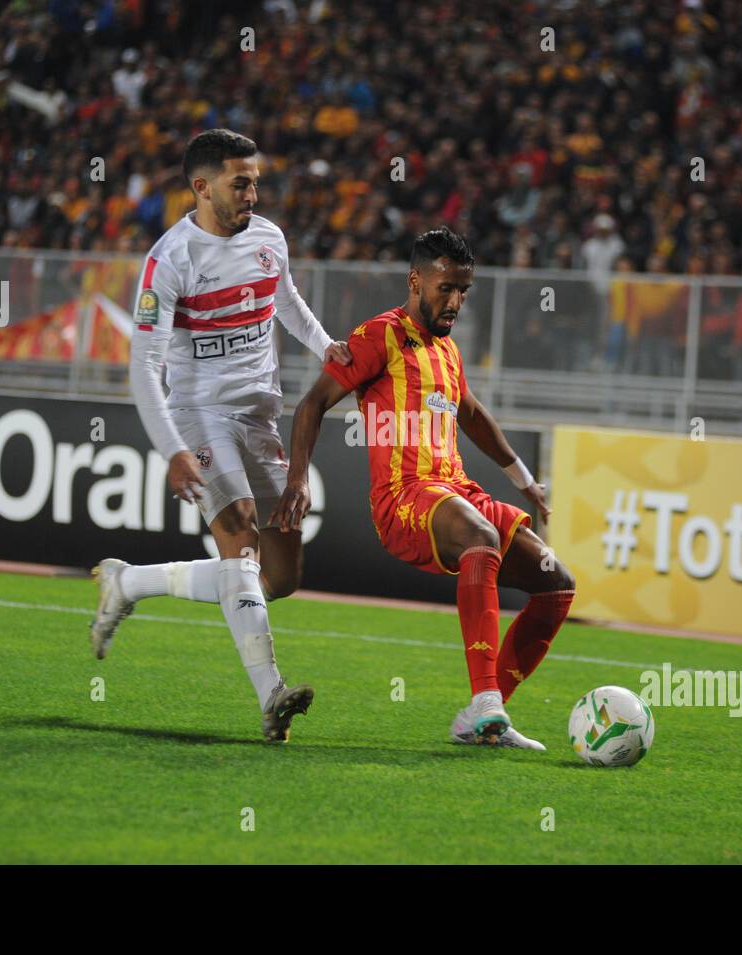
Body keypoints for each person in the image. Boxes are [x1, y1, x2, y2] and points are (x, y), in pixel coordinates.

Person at [88, 129, 351, 743]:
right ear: (202, 187)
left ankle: (127, 582)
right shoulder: (170, 260)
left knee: (278, 577)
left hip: (259, 416)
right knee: (238, 533)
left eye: (256, 180)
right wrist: (173, 448)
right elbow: (143, 366)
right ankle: (272, 697)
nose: (253, 193)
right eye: (241, 182)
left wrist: (325, 346)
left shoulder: (269, 239)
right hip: (200, 414)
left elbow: (285, 300)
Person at [272, 228, 576, 750]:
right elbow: (312, 404)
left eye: (464, 291)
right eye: (446, 288)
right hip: (403, 497)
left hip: (457, 491)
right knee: (480, 536)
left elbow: (474, 417)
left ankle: (484, 717)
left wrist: (524, 480)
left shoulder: (450, 353)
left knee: (556, 584)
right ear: (416, 280)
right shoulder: (378, 337)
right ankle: (485, 700)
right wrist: (298, 476)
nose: (455, 301)